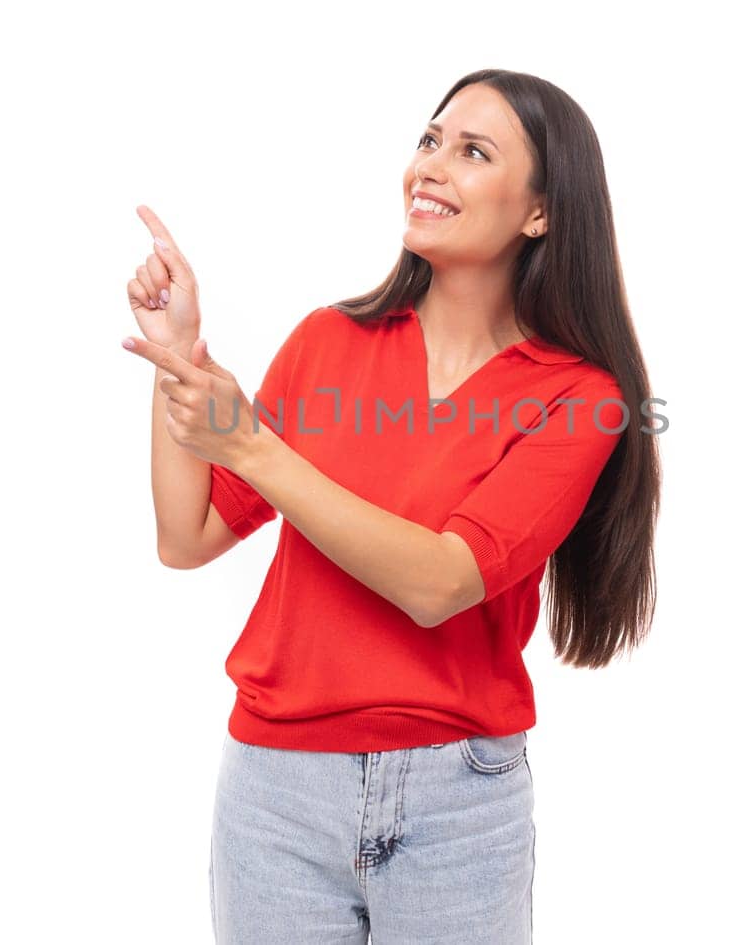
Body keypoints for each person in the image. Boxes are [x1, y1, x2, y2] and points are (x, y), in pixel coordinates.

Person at [120, 68, 660, 943]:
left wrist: (252, 444)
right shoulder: (329, 341)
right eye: (429, 140)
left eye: (474, 151)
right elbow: (186, 536)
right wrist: (178, 357)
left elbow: (443, 580)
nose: (431, 167)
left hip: (457, 805)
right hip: (275, 794)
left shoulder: (579, 397)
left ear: (541, 212)